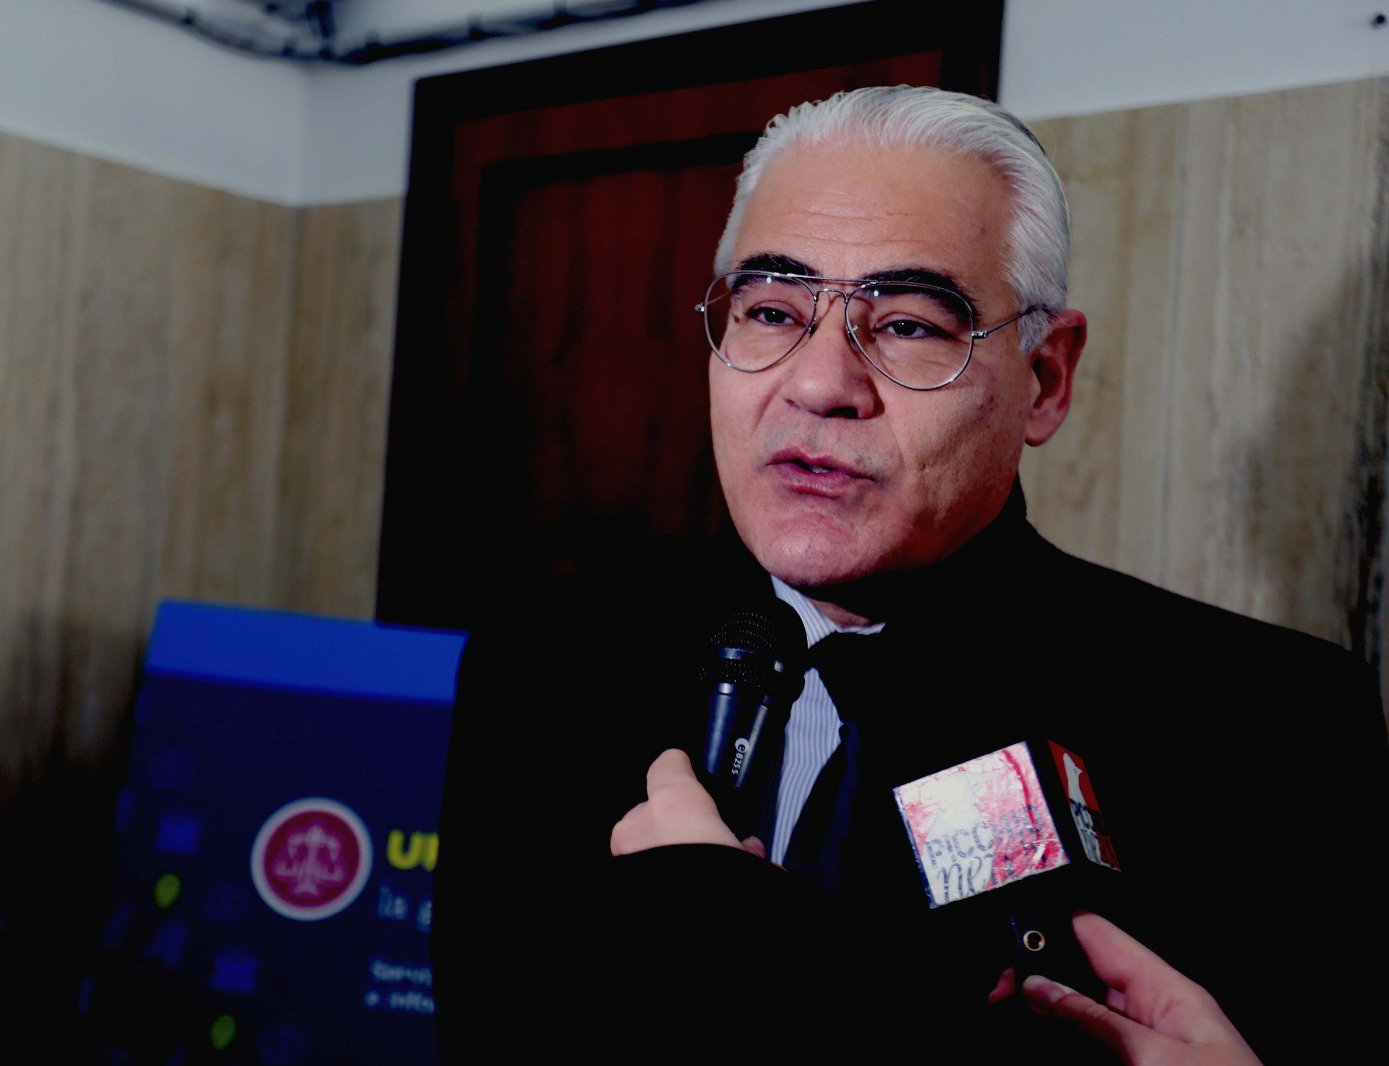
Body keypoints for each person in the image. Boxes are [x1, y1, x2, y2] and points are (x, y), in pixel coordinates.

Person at [432, 87, 1388, 1063]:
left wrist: (736, 951)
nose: (818, 385)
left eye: (909, 326)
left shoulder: (1274, 728)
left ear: (1046, 378)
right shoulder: (546, 661)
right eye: (771, 311)